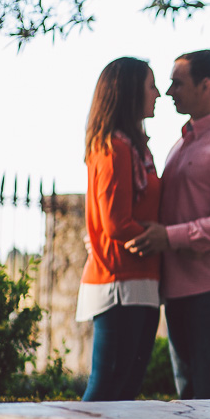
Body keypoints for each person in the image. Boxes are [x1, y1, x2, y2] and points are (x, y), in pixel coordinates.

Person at [125, 50, 210, 399]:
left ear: (206, 85)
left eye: (177, 83)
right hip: (179, 291)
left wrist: (168, 238)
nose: (169, 92)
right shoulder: (178, 146)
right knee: (189, 399)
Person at [76, 57, 163, 401]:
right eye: (151, 86)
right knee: (106, 392)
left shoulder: (135, 148)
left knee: (123, 393)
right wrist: (165, 238)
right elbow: (114, 222)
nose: (157, 94)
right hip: (119, 284)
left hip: (139, 283)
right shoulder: (115, 147)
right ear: (130, 93)